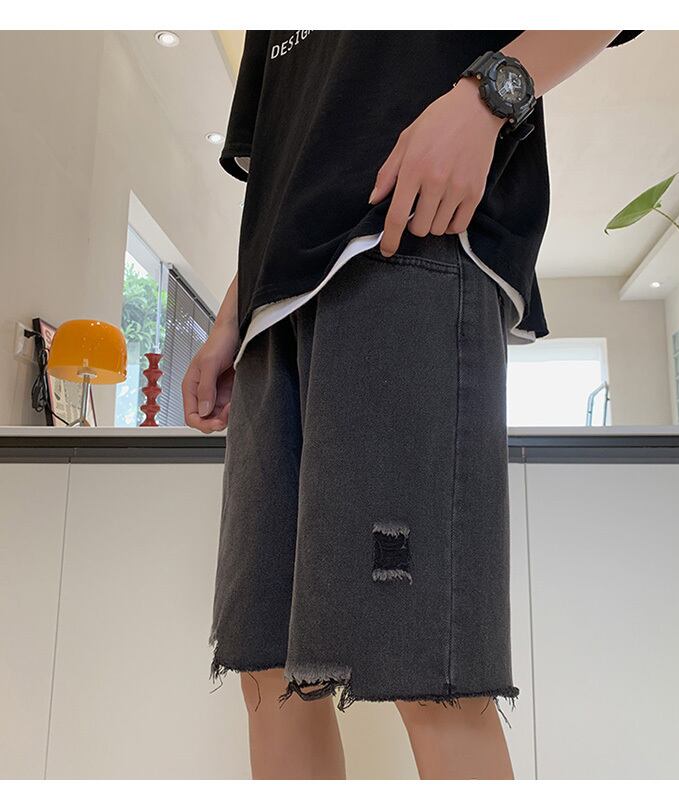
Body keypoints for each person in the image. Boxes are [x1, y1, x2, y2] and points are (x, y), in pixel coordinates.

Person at [182, 29, 643, 780]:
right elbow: (281, 165)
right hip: (273, 314)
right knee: (266, 673)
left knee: (428, 676)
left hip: (410, 243)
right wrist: (229, 318)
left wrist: (489, 95)